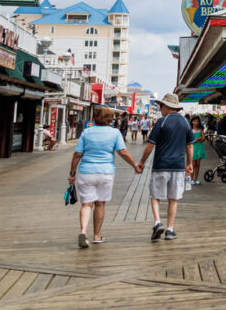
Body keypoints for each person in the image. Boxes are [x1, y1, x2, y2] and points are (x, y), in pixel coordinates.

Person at [68, 106, 139, 248]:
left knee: (86, 204)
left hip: (86, 172)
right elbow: (123, 152)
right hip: (106, 172)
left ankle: (83, 231)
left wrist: (72, 173)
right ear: (110, 119)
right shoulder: (115, 133)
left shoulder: (86, 132)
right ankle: (96, 236)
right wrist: (135, 166)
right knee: (100, 204)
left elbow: (77, 154)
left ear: (94, 117)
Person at [137, 94, 194, 242]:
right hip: (178, 167)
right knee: (173, 199)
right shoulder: (186, 122)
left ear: (168, 107)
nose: (160, 108)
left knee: (155, 196)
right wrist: (190, 163)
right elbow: (190, 145)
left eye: (161, 106)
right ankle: (169, 229)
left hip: (161, 165)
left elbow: (150, 144)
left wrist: (142, 161)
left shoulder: (162, 122)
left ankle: (157, 222)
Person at [189, 116, 207, 185]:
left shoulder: (200, 130)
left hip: (199, 148)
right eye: (194, 121)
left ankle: (196, 179)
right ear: (192, 122)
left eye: (197, 121)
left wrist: (197, 140)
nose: (196, 122)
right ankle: (191, 179)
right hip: (192, 148)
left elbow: (203, 139)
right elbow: (189, 140)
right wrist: (197, 139)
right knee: (193, 164)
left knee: (198, 164)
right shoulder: (190, 130)